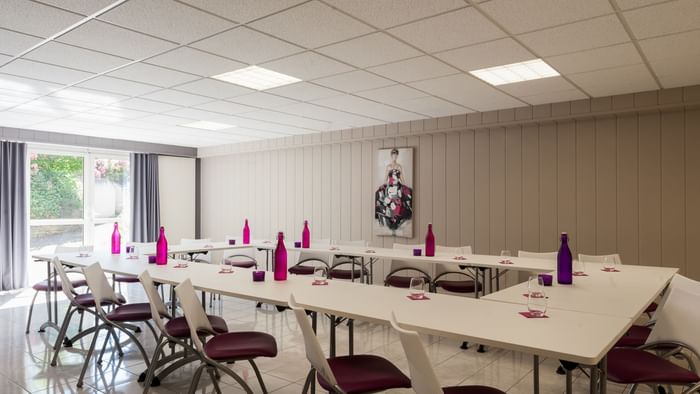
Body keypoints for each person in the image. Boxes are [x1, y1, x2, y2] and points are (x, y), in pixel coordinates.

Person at [375, 148, 413, 234]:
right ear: (391, 156)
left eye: (396, 155)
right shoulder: (388, 166)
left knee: (399, 200)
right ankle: (390, 219)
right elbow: (385, 178)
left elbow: (402, 178)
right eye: (393, 155)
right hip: (390, 187)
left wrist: (405, 185)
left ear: (397, 156)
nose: (394, 157)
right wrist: (384, 185)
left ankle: (397, 219)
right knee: (389, 201)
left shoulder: (399, 166)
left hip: (397, 186)